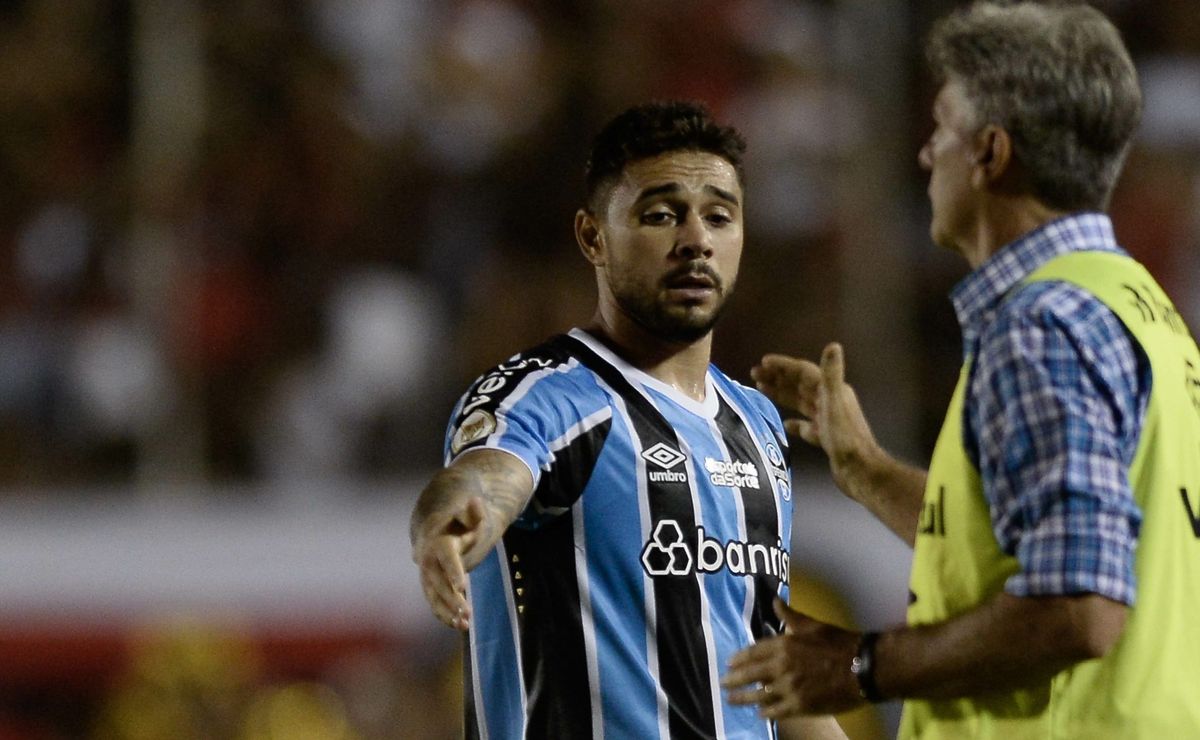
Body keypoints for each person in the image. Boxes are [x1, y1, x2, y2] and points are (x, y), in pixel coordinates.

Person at [722, 2, 1200, 737]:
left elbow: (1080, 608)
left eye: (942, 127)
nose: (925, 153)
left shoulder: (1043, 327)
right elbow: (1036, 544)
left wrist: (859, 665)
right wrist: (869, 471)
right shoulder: (1140, 312)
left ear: (989, 154)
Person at [410, 101, 845, 739]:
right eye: (661, 214)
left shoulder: (756, 423)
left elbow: (761, 647)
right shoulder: (550, 396)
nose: (696, 239)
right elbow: (482, 479)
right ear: (593, 237)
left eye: (719, 216)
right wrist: (444, 525)